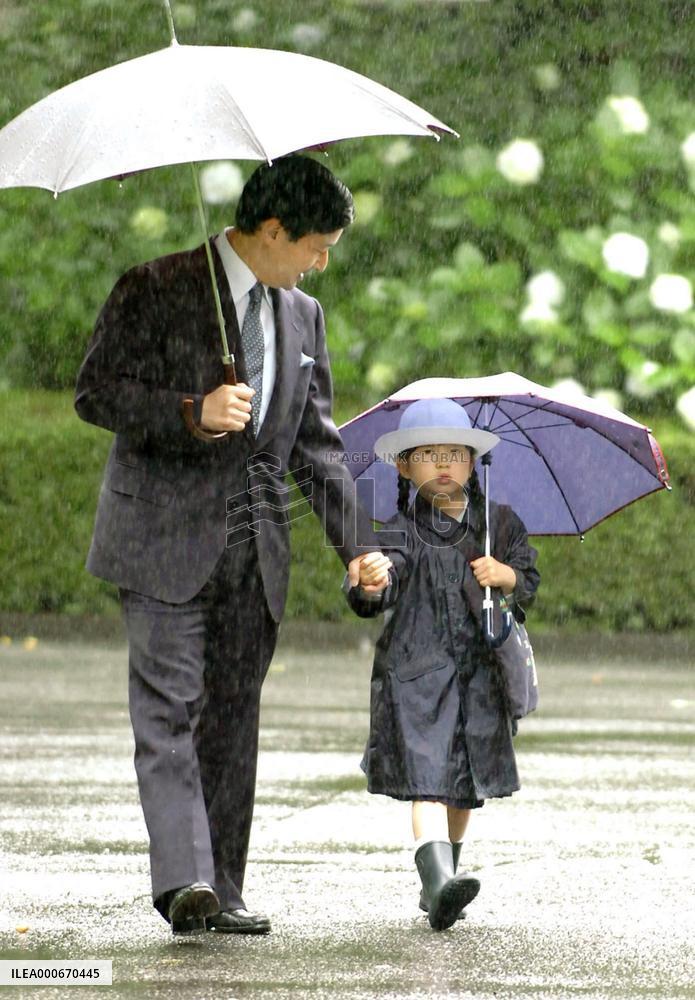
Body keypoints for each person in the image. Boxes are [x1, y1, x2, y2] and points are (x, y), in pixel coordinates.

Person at [74, 155, 389, 936]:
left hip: (255, 551)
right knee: (170, 709)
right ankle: (184, 881)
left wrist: (354, 546)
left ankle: (223, 886)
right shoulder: (152, 286)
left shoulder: (302, 315)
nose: (322, 262)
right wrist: (193, 409)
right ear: (273, 229)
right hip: (158, 540)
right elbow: (95, 392)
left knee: (232, 719)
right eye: (317, 245)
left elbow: (315, 447)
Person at [346, 398, 540, 930]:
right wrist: (369, 579)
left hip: (479, 675)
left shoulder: (499, 524)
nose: (445, 464)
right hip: (416, 675)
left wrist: (506, 576)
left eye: (455, 453)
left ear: (473, 462)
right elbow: (378, 588)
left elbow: (527, 581)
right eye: (429, 454)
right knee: (428, 780)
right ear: (405, 466)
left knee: (465, 788)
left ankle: (444, 879)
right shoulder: (399, 531)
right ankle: (436, 882)